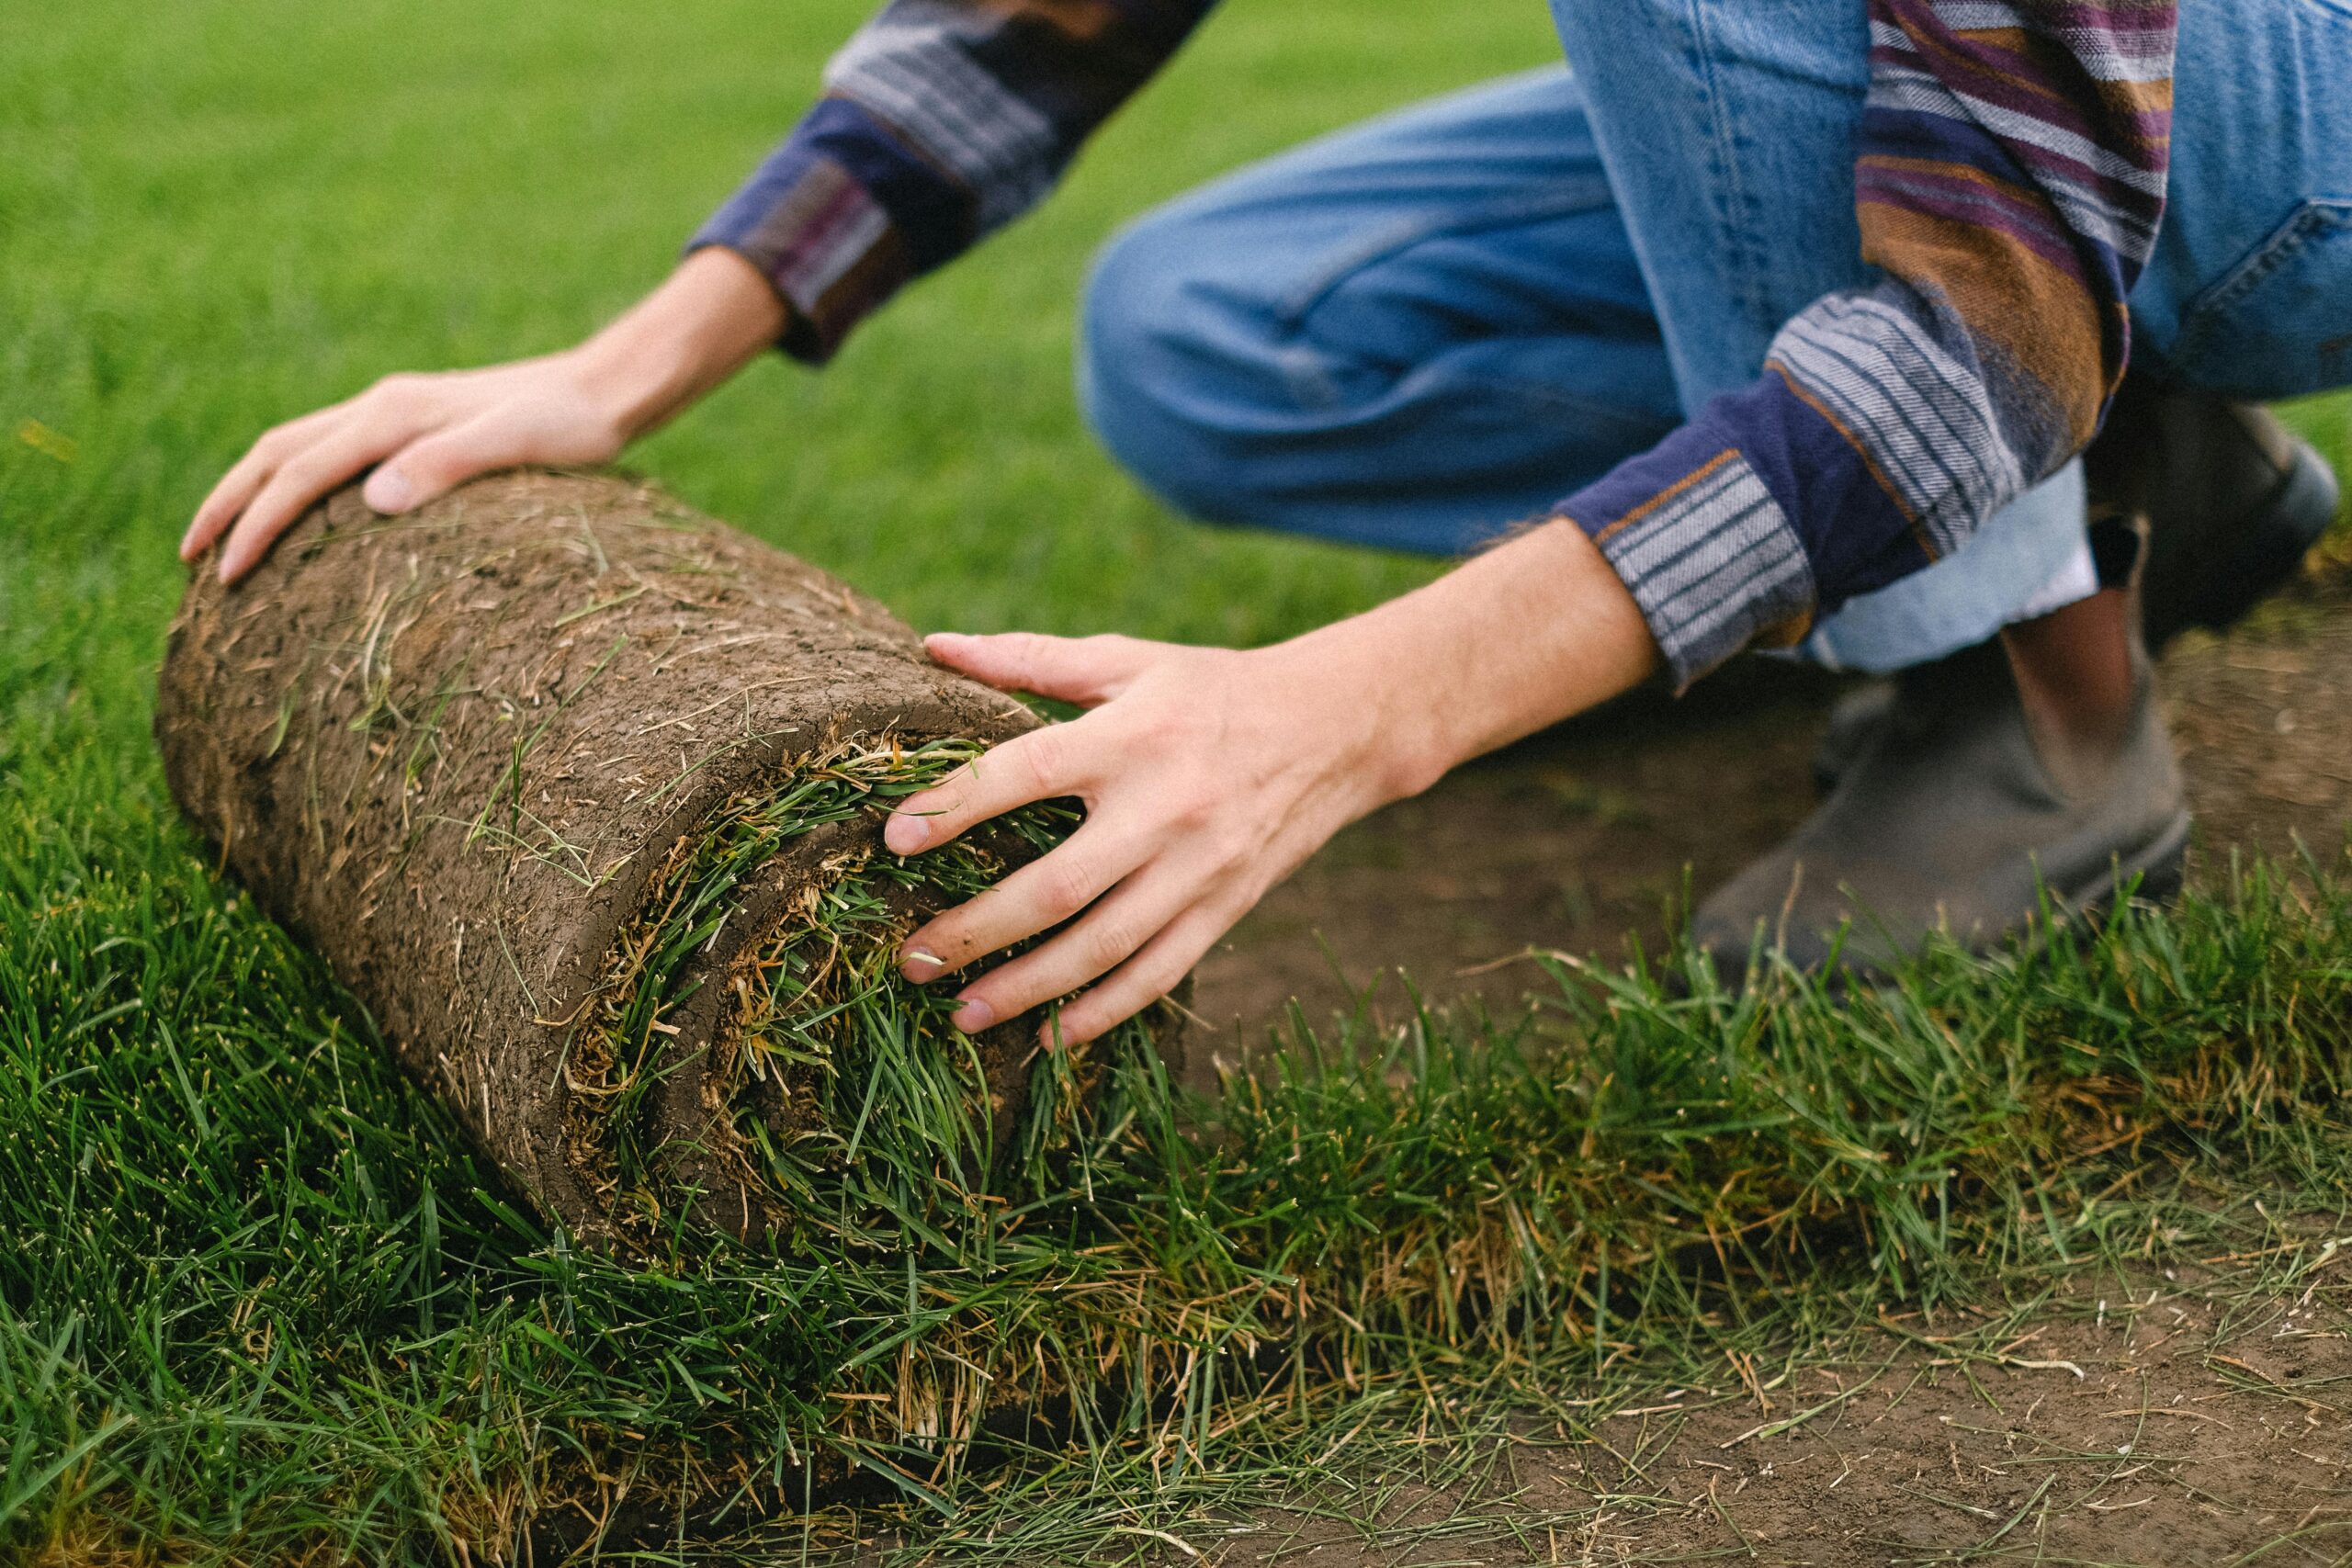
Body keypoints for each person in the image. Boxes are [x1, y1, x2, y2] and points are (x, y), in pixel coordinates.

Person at [183, 0, 2352, 1044]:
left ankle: (2023, 691)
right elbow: (1031, 24)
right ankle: (2128, 472)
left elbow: (1985, 308)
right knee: (1212, 328)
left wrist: (1349, 710)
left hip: (2261, 115)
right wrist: (623, 361)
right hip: (1990, 113)